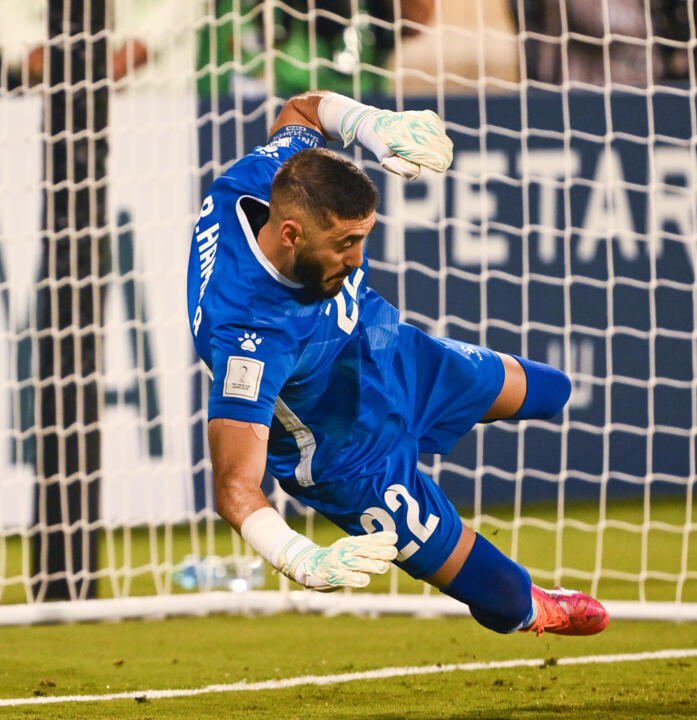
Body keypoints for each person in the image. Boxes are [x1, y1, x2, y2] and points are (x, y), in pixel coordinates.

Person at [186, 90, 609, 637]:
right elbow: (233, 486)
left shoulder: (262, 176)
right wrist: (300, 558)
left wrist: (372, 124)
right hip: (348, 454)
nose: (358, 258)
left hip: (387, 350)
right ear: (291, 235)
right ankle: (535, 607)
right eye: (346, 243)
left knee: (552, 389)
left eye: (363, 238)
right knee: (504, 600)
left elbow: (303, 110)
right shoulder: (248, 336)